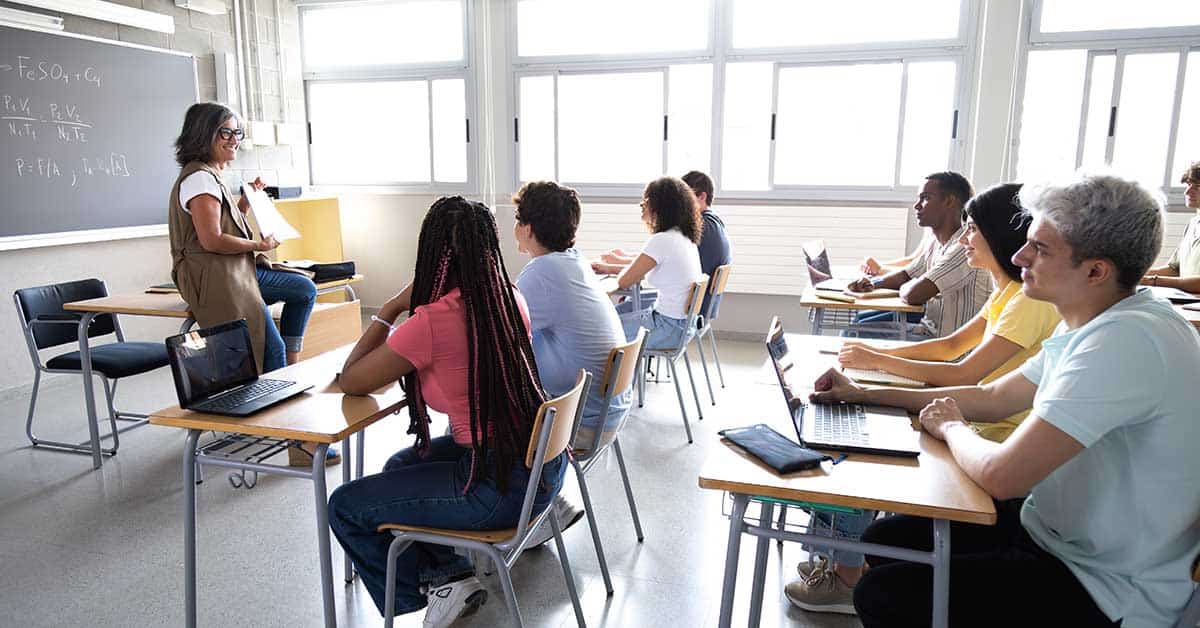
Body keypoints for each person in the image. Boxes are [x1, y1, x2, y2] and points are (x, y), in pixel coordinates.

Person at [812, 174, 1200, 627]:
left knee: (886, 594)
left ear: (1096, 271)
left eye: (1040, 248)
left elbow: (1002, 476)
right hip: (1056, 534)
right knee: (885, 539)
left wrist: (950, 427)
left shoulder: (1124, 343)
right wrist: (864, 393)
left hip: (1107, 585)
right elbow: (993, 396)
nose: (1019, 257)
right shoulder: (1098, 315)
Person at [784, 183, 1062, 615]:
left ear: (1000, 236)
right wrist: (876, 358)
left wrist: (871, 381)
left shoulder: (1029, 302)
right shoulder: (1008, 291)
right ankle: (841, 560)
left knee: (857, 456)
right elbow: (951, 346)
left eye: (974, 230)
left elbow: (964, 372)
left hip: (984, 433)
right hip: (971, 421)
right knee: (856, 430)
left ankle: (846, 574)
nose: (966, 239)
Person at [328, 196, 565, 628]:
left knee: (344, 506)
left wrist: (391, 307)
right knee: (400, 464)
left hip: (495, 489)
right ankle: (449, 578)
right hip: (539, 469)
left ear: (433, 255)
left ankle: (416, 597)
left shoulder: (434, 320)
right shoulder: (509, 298)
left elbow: (353, 380)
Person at [168, 102, 334, 466]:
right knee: (268, 349)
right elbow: (211, 240)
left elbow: (222, 227)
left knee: (301, 290)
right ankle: (295, 439)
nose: (234, 140)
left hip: (233, 273)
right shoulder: (198, 178)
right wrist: (259, 245)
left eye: (237, 133)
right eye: (225, 133)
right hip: (217, 277)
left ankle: (291, 408)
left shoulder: (209, 176)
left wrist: (244, 203)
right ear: (203, 135)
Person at [512, 180, 632, 545]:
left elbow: (503, 334)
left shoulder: (540, 274)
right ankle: (545, 501)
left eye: (517, 219)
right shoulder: (573, 263)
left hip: (579, 424)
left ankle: (536, 508)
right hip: (607, 411)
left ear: (529, 228)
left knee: (483, 416)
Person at [847, 172, 991, 337]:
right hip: (928, 331)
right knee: (855, 329)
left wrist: (909, 286)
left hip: (947, 347)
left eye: (925, 198)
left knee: (854, 335)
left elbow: (914, 294)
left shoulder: (964, 246)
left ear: (949, 201)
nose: (917, 205)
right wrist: (871, 283)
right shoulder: (935, 242)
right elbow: (906, 275)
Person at [591, 176, 704, 350]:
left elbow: (624, 281)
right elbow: (642, 268)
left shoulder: (662, 240)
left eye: (645, 201)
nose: (642, 205)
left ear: (659, 206)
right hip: (681, 326)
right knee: (614, 315)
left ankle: (616, 377)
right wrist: (617, 267)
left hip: (666, 328)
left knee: (602, 330)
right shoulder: (683, 238)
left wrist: (613, 268)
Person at [1142, 160, 1200, 292]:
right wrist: (1133, 276)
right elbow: (1174, 270)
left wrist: (1151, 281)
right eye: (1189, 184)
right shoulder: (1193, 223)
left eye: (1198, 186)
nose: (1188, 192)